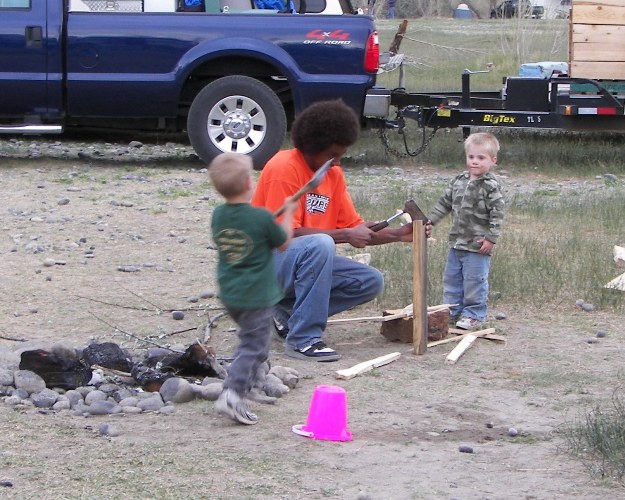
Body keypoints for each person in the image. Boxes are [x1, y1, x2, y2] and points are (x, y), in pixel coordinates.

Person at [252, 99, 429, 362]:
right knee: (321, 244)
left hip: (298, 263)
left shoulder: (333, 176)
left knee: (369, 281)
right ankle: (303, 339)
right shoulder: (283, 168)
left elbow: (352, 228)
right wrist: (345, 235)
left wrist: (397, 235)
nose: (336, 162)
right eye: (331, 155)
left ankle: (286, 315)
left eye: (340, 155)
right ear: (310, 147)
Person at [209, 152, 296, 425]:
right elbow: (283, 243)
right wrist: (289, 213)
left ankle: (248, 384)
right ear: (249, 183)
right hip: (255, 297)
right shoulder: (261, 218)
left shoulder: (219, 215)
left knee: (253, 343)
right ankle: (232, 394)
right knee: (254, 346)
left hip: (231, 295)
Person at [426, 132, 505, 331]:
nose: (475, 162)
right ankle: (451, 310)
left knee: (474, 281)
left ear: (492, 160)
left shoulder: (490, 187)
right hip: (456, 243)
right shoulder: (458, 181)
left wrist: (491, 239)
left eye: (481, 158)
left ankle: (473, 314)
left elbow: (497, 214)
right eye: (471, 157)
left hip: (477, 246)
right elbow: (444, 204)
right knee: (452, 279)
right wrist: (430, 221)